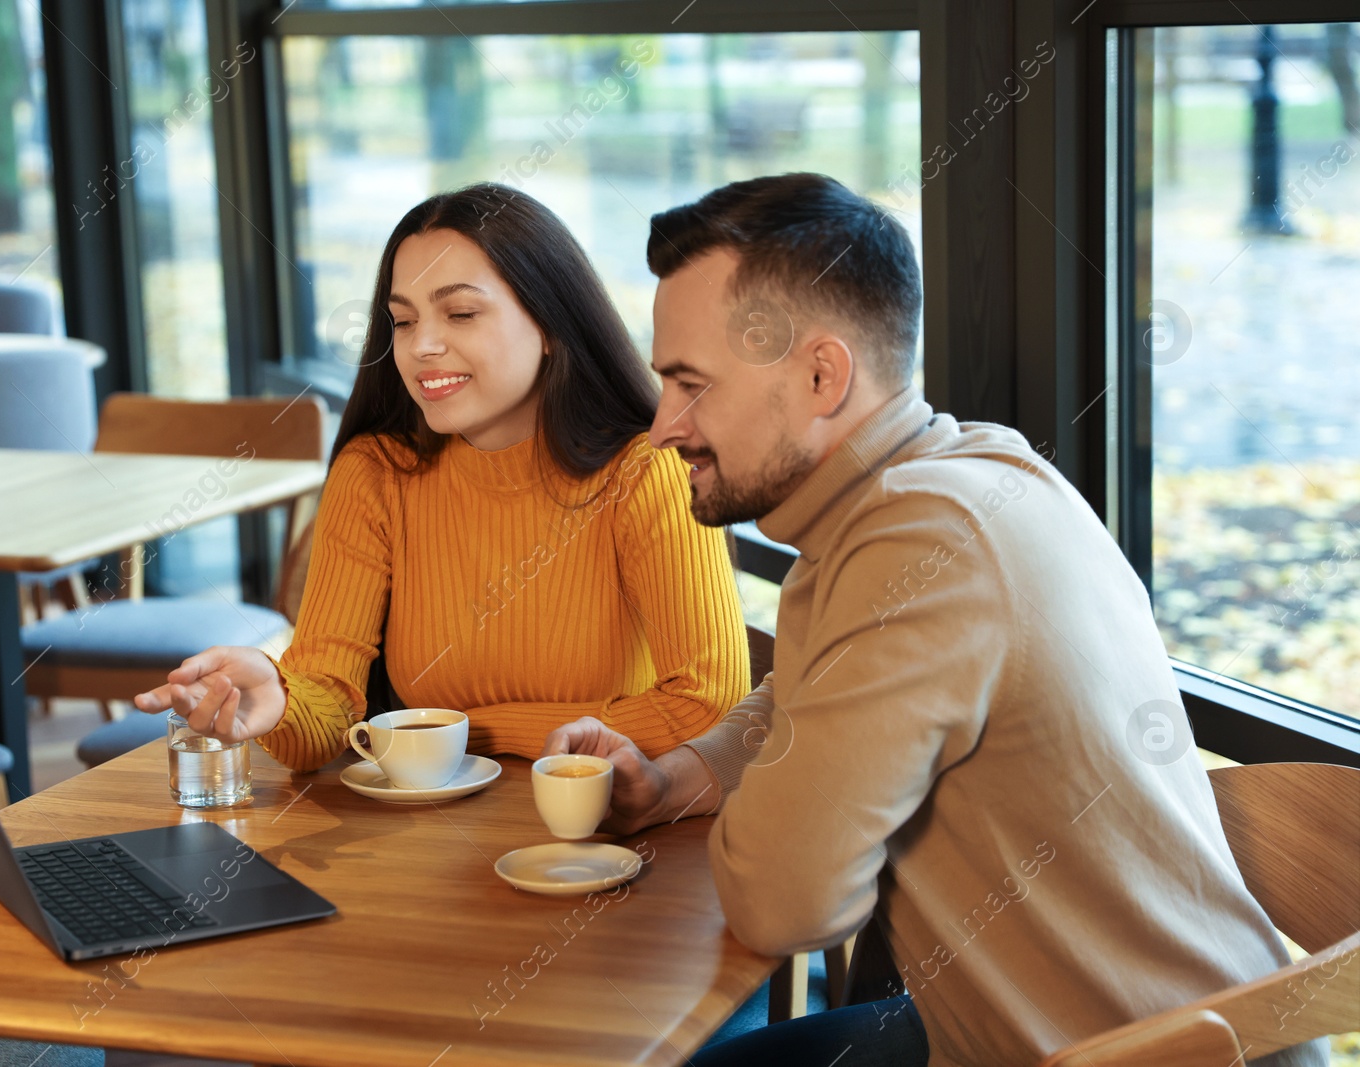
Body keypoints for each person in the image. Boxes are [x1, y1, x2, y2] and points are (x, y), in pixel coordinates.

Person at [542, 173, 1324, 1067]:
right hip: (1060, 1026)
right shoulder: (969, 468)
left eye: (690, 383)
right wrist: (679, 776)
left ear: (821, 375)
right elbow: (813, 693)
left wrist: (780, 800)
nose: (660, 428)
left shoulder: (916, 549)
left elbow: (784, 901)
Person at [134, 183, 749, 772]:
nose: (421, 346)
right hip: (428, 833)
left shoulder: (645, 473)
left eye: (460, 313)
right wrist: (280, 699)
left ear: (553, 328)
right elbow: (330, 710)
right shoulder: (376, 473)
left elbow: (708, 706)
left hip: (596, 840)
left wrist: (462, 731)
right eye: (402, 321)